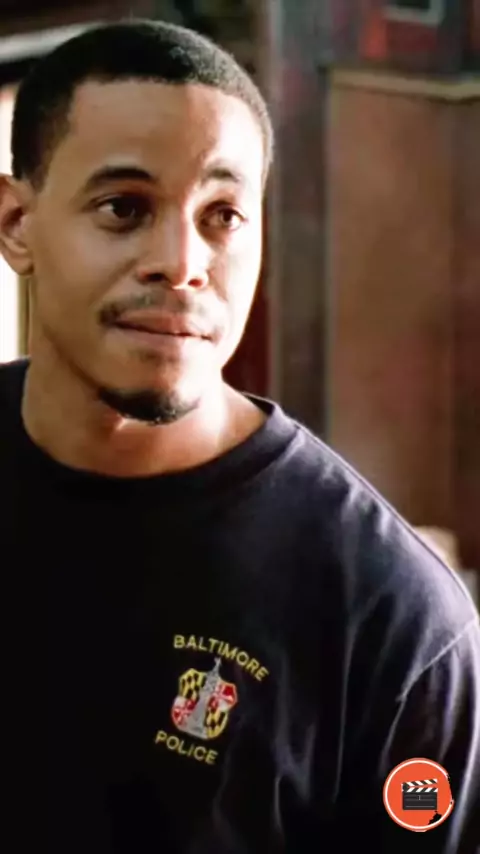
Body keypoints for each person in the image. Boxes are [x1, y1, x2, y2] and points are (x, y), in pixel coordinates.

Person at [0, 19, 478, 854]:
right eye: (123, 208)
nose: (182, 262)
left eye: (222, 215)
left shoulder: (389, 617)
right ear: (15, 224)